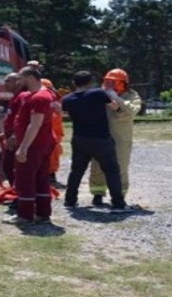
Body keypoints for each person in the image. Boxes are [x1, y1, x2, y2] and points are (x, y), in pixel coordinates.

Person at [61, 71, 134, 214]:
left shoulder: (68, 99)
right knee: (112, 171)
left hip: (79, 138)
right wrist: (112, 94)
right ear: (89, 82)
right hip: (100, 139)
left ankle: (70, 201)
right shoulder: (97, 94)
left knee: (76, 171)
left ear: (74, 83)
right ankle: (118, 204)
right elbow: (115, 107)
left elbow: (66, 114)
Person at [4, 67, 56, 226]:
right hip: (42, 143)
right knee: (41, 180)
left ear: (31, 78)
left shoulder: (39, 97)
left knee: (25, 180)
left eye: (21, 78)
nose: (18, 82)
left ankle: (25, 216)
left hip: (34, 145)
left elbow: (35, 124)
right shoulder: (43, 94)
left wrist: (23, 147)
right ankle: (42, 214)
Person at [88, 68, 142, 206]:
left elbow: (131, 111)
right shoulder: (99, 94)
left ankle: (119, 197)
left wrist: (116, 98)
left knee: (120, 167)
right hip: (100, 136)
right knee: (97, 166)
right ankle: (98, 194)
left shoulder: (132, 96)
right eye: (107, 82)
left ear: (122, 83)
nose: (109, 85)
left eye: (113, 82)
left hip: (121, 139)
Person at [41, 78, 66, 188]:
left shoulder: (55, 101)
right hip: (49, 134)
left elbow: (60, 112)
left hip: (54, 134)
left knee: (52, 155)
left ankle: (50, 175)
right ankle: (47, 175)